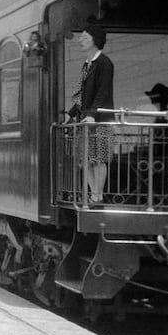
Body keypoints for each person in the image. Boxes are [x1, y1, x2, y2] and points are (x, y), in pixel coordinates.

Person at [68, 27, 114, 203]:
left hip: (101, 120)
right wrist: (71, 114)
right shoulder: (87, 64)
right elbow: (83, 92)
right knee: (87, 160)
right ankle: (94, 194)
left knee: (99, 158)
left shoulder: (105, 63)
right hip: (87, 119)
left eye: (84, 37)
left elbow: (102, 91)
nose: (80, 40)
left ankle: (97, 195)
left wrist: (93, 114)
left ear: (94, 39)